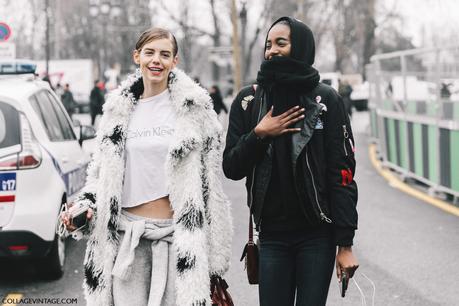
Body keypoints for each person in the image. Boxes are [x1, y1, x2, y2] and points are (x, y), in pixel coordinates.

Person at [61, 27, 233, 306]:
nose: (157, 60)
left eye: (165, 54)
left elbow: (211, 187)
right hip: (126, 242)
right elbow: (101, 176)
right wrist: (85, 206)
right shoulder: (116, 111)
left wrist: (215, 258)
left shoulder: (195, 110)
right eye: (150, 53)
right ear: (137, 56)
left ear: (174, 61)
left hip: (178, 242)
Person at [223, 17, 359, 306]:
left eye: (281, 43)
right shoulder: (248, 101)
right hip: (272, 235)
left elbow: (343, 175)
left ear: (301, 48)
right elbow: (231, 167)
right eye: (268, 45)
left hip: (317, 236)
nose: (271, 50)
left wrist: (345, 244)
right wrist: (259, 134)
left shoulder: (326, 100)